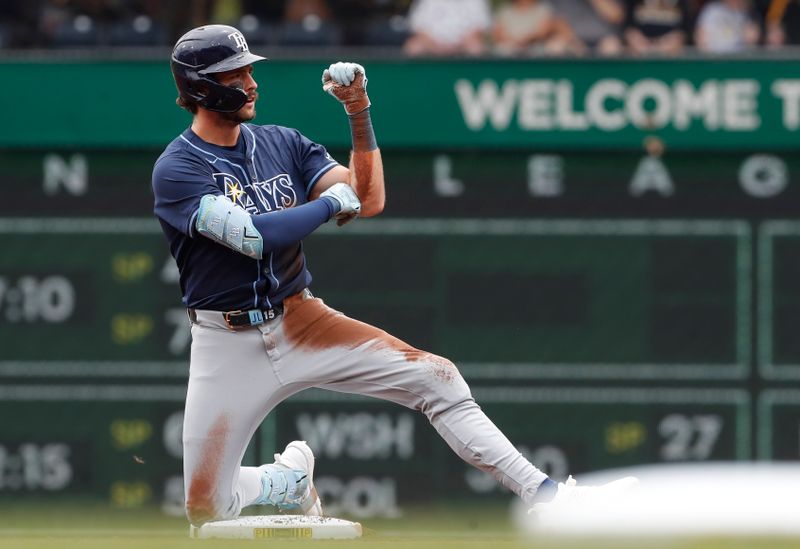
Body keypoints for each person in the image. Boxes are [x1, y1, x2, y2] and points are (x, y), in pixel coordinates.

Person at [152, 24, 637, 527]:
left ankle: (550, 495)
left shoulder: (281, 143)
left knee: (437, 376)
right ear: (201, 88)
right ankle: (287, 482)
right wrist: (325, 207)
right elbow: (251, 237)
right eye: (236, 73)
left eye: (250, 70)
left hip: (300, 320)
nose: (251, 82)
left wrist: (358, 112)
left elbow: (370, 196)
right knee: (207, 506)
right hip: (225, 339)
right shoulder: (177, 168)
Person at [403, 0, 491, 56]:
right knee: (414, 47)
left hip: (462, 45)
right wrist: (435, 46)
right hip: (432, 44)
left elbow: (478, 29)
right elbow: (419, 27)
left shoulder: (476, 2)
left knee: (475, 48)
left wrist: (458, 46)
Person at [623, 0, 692, 55]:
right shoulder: (633, 2)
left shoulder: (682, 2)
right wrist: (633, 38)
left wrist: (678, 39)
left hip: (672, 58)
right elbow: (626, 26)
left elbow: (687, 30)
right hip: (639, 57)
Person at [694, 0, 760, 52]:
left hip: (739, 60)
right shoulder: (712, 10)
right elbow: (701, 38)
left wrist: (751, 40)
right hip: (715, 59)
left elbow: (751, 42)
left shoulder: (745, 13)